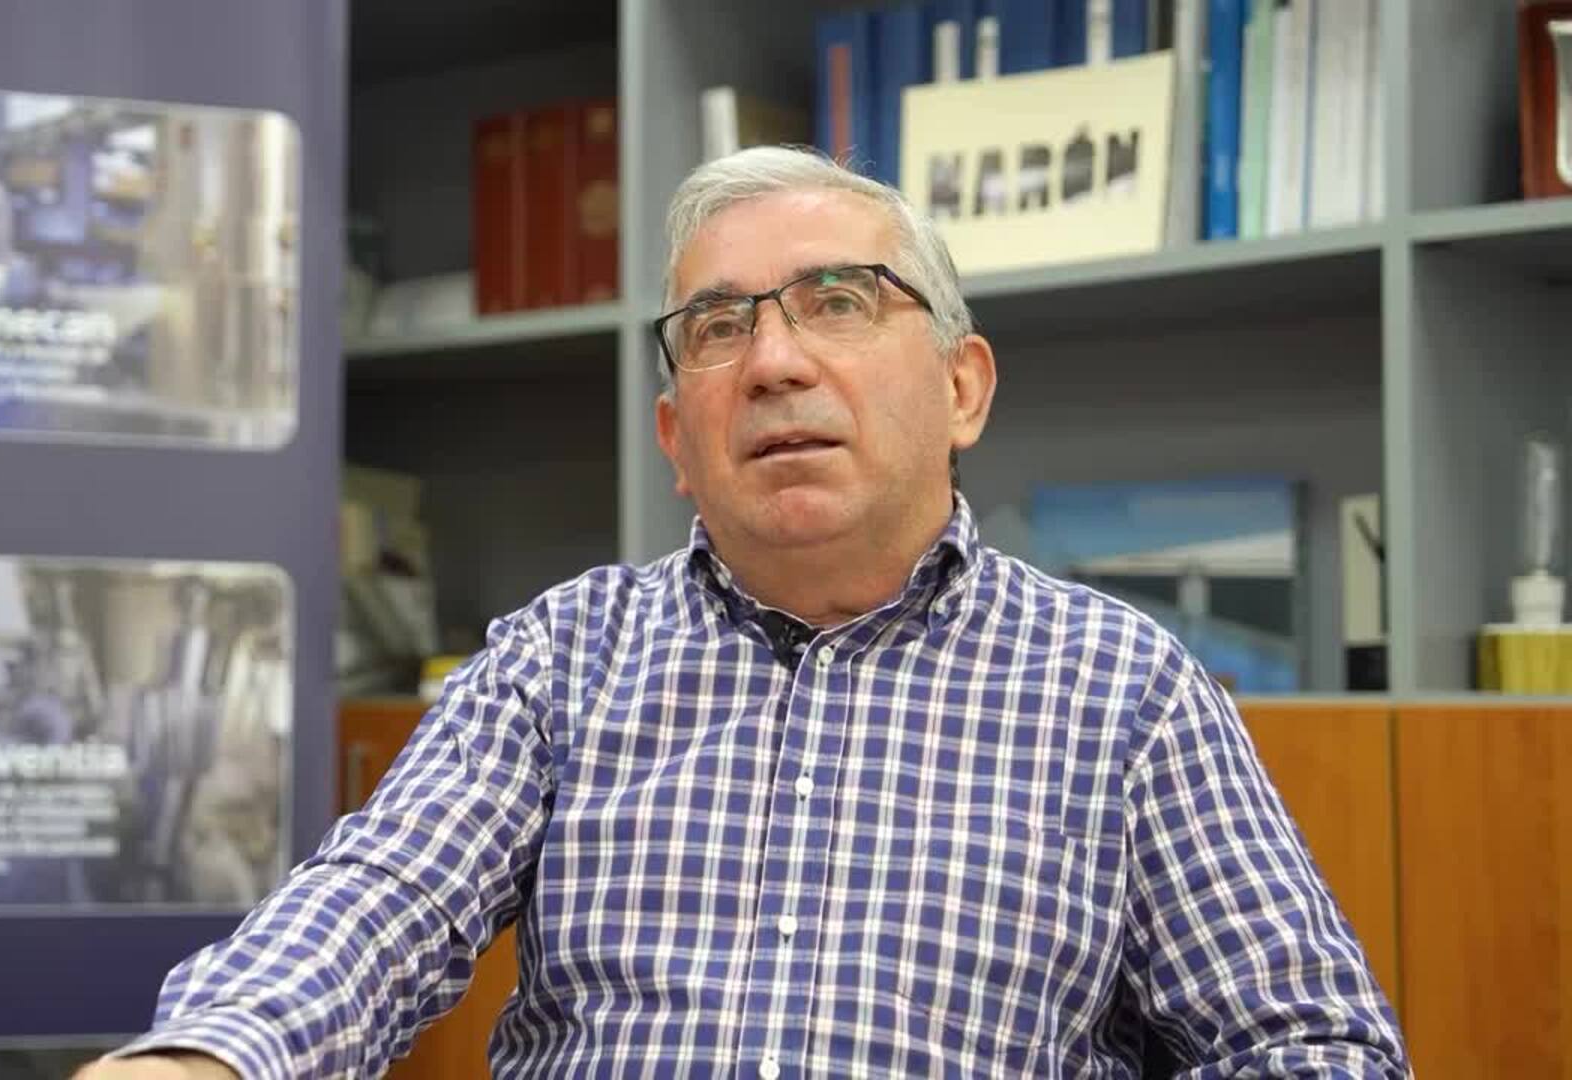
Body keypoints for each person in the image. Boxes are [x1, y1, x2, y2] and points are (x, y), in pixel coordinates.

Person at [78, 146, 1409, 1078]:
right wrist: (204, 1060)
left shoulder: (1121, 687)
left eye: (838, 302)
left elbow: (1309, 1045)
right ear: (677, 436)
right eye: (718, 328)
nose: (772, 361)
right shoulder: (565, 658)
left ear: (961, 387)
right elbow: (380, 902)